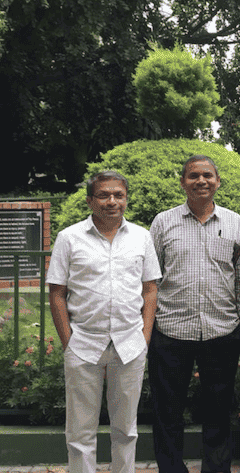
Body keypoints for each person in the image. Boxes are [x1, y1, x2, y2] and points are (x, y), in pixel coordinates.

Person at [47, 170, 161, 473]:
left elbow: (150, 289)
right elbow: (57, 293)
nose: (111, 201)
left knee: (126, 429)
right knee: (80, 432)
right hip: (83, 343)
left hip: (130, 343)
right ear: (90, 200)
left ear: (126, 199)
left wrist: (145, 338)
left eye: (118, 195)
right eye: (103, 195)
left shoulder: (142, 237)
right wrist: (68, 343)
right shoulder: (69, 238)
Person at [148, 155, 240, 473]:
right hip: (170, 330)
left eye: (207, 175)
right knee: (167, 411)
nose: (201, 181)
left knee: (219, 410)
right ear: (182, 182)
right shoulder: (163, 222)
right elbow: (149, 277)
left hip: (221, 331)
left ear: (218, 181)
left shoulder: (234, 222)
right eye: (193, 176)